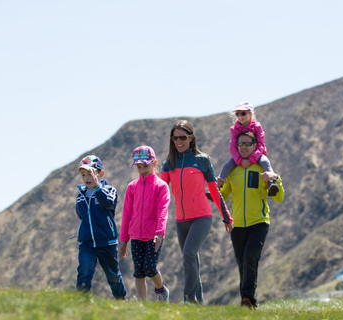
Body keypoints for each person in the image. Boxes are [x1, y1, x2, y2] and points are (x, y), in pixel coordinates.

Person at [160, 120, 234, 304]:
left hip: (202, 217)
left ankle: (188, 300)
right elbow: (160, 191)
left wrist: (226, 216)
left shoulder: (202, 160)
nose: (179, 141)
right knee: (192, 262)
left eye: (183, 137)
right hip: (180, 219)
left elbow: (215, 191)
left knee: (189, 255)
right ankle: (199, 306)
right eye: (175, 138)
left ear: (191, 138)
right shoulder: (169, 163)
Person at [220, 131, 285, 310]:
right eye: (240, 144)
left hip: (259, 222)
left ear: (255, 145)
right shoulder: (233, 170)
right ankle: (247, 300)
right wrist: (209, 192)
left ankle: (248, 299)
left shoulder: (263, 168)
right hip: (237, 225)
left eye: (248, 143)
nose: (244, 147)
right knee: (242, 263)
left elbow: (279, 198)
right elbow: (223, 195)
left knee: (251, 257)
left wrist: (275, 180)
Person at [119, 146, 171, 302]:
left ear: (154, 163)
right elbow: (126, 214)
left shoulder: (161, 186)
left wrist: (160, 233)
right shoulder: (131, 187)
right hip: (135, 235)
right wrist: (123, 240)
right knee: (139, 272)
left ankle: (161, 290)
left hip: (153, 235)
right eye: (139, 167)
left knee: (149, 268)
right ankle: (143, 305)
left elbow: (163, 211)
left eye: (146, 166)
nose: (142, 170)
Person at [75, 155, 127, 300]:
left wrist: (97, 187)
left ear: (100, 174)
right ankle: (81, 301)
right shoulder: (80, 195)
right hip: (87, 243)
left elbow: (109, 204)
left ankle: (121, 300)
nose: (86, 178)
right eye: (83, 175)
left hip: (107, 242)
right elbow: (81, 215)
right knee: (84, 270)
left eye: (90, 173)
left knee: (113, 275)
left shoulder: (109, 190)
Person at [217, 101, 279, 196]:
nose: (240, 116)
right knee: (227, 166)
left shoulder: (257, 127)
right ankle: (217, 186)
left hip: (257, 155)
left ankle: (271, 183)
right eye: (238, 114)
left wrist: (251, 159)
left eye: (243, 113)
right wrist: (240, 160)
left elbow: (260, 145)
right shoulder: (234, 129)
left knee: (265, 162)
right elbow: (233, 147)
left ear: (250, 113)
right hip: (240, 156)